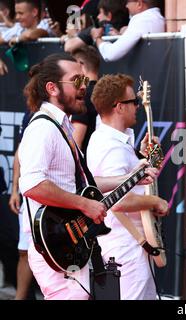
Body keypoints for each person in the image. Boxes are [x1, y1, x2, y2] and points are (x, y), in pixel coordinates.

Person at [18, 53, 158, 300]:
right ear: (52, 88)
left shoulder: (62, 127)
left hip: (74, 246)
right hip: (57, 248)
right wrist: (84, 204)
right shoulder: (42, 128)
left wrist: (132, 177)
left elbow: (84, 185)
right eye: (76, 80)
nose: (84, 85)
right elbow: (32, 184)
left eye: (84, 78)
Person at [88, 73, 169, 300]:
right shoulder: (111, 146)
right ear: (118, 107)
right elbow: (120, 200)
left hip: (127, 242)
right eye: (133, 102)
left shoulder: (108, 139)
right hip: (126, 246)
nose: (137, 106)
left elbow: (129, 181)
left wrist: (141, 156)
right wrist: (156, 201)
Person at [8, 111, 35, 300]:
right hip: (28, 195)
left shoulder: (69, 114)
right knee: (24, 251)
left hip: (56, 199)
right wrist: (15, 188)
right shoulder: (30, 115)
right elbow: (20, 150)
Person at [91, 0, 165, 62]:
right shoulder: (157, 18)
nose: (126, 6)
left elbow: (110, 54)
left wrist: (97, 38)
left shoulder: (142, 20)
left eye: (128, 2)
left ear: (139, 4)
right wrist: (122, 37)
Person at [64, 0, 129, 53]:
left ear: (109, 15)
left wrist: (72, 36)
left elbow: (68, 47)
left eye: (100, 13)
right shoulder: (129, 29)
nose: (98, 17)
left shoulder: (94, 31)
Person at [70, 45, 101, 154]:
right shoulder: (106, 93)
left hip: (86, 166)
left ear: (80, 64)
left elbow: (75, 145)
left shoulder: (83, 95)